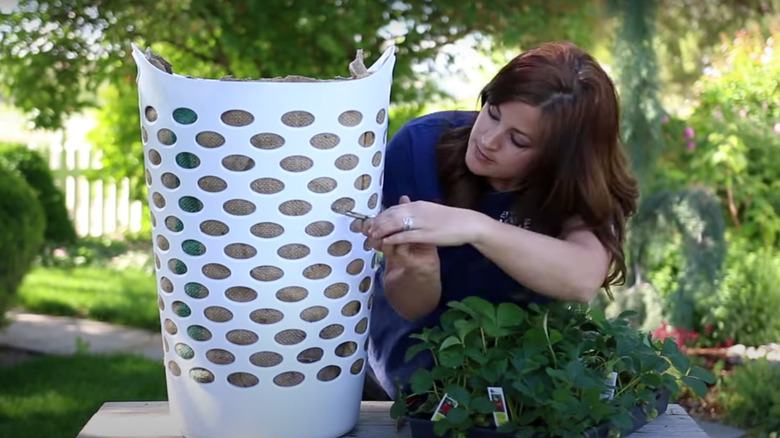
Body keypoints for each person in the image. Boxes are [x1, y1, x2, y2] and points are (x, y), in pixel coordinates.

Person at [362, 41, 640, 399]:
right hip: (405, 370)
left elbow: (583, 277)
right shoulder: (419, 147)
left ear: (560, 159)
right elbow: (410, 305)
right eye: (492, 112)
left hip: (519, 376)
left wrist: (475, 227)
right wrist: (421, 271)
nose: (489, 141)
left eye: (518, 140)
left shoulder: (580, 186)